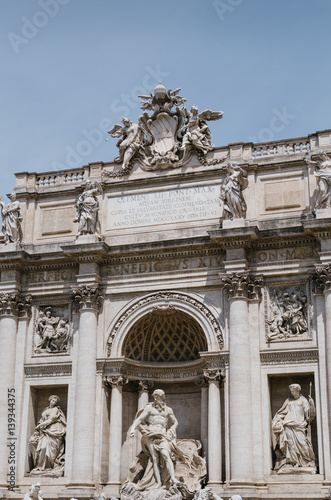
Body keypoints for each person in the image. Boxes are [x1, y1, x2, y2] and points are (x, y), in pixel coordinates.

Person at [129, 389, 179, 489]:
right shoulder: (149, 408)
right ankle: (158, 483)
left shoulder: (168, 410)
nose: (157, 399)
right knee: (155, 459)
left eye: (159, 397)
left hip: (163, 435)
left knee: (166, 455)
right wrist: (133, 429)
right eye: (155, 397)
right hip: (151, 435)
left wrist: (172, 429)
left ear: (163, 397)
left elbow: (175, 422)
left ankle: (172, 478)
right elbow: (139, 419)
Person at [272, 384, 316, 471]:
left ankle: (306, 461)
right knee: (290, 444)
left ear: (298, 390)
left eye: (293, 391)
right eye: (291, 391)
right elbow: (282, 412)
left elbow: (309, 416)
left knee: (303, 444)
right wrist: (277, 421)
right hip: (288, 424)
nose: (292, 393)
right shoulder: (288, 400)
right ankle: (293, 462)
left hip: (299, 425)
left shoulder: (303, 400)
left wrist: (312, 405)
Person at [29, 395, 66, 476]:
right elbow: (42, 420)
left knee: (51, 451)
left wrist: (39, 426)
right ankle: (41, 466)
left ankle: (49, 467)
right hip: (44, 432)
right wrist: (38, 428)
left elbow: (50, 420)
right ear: (50, 400)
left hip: (54, 431)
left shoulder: (56, 410)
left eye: (55, 401)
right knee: (43, 447)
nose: (54, 402)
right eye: (53, 401)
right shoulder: (46, 410)